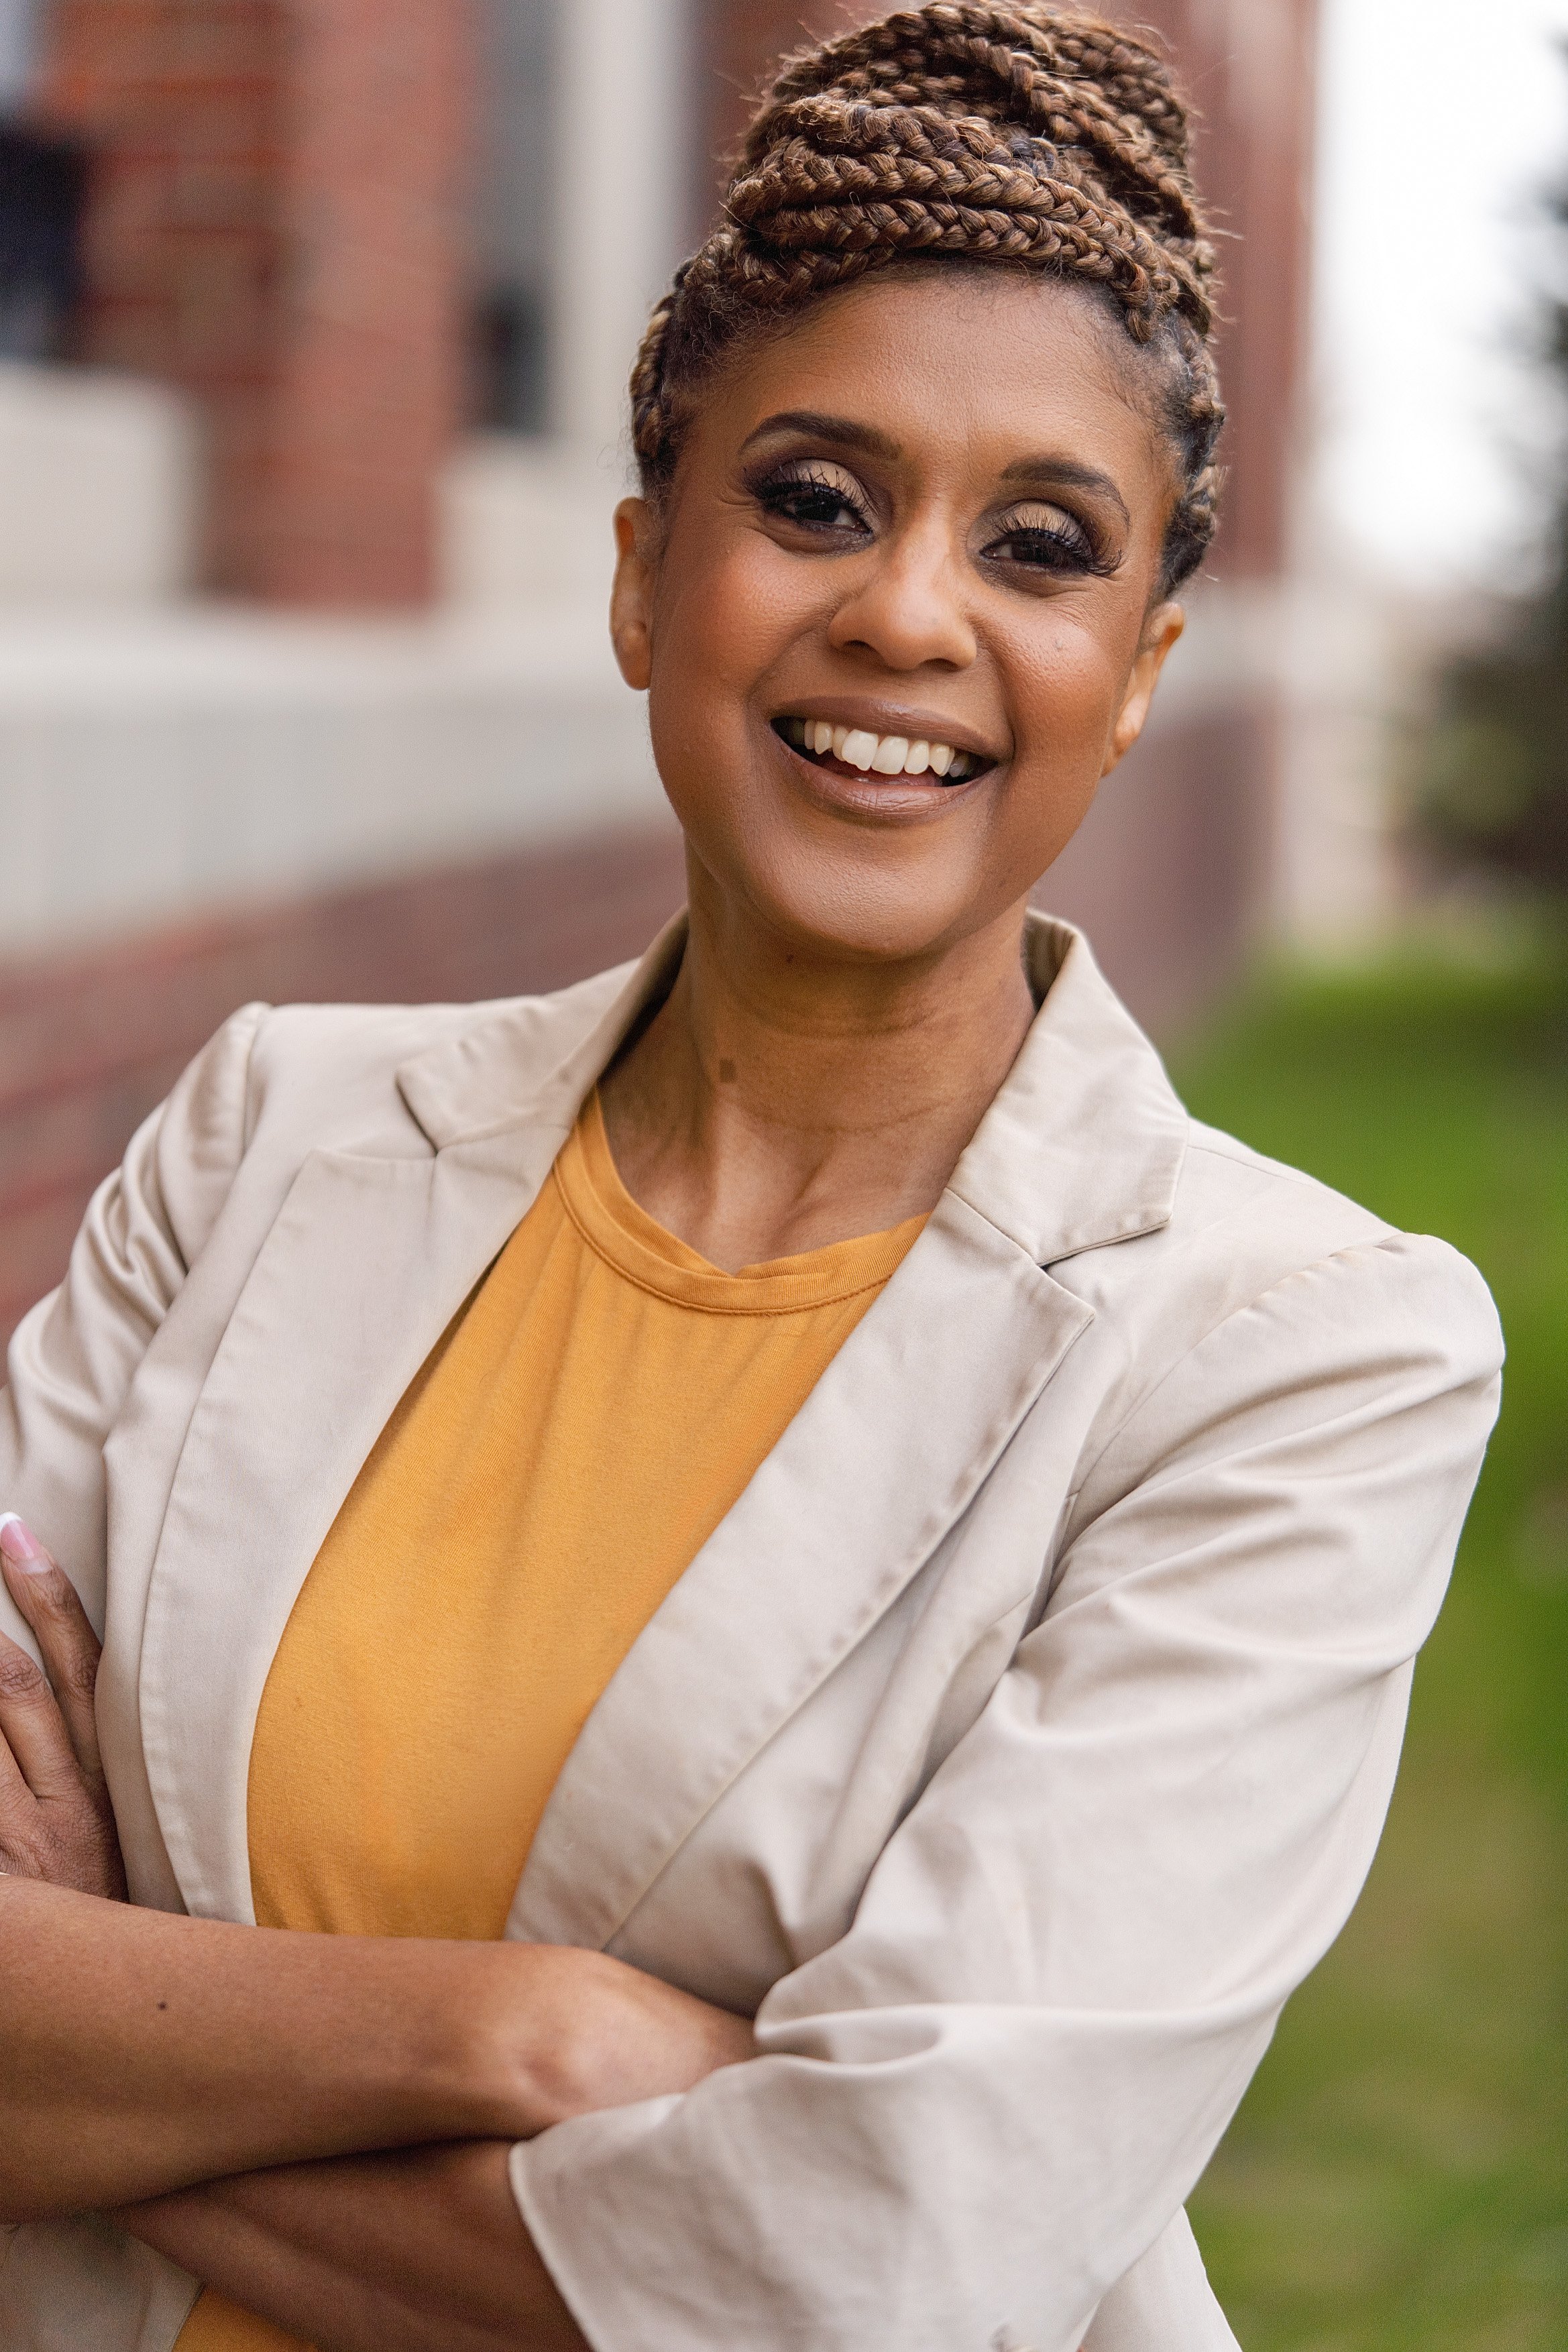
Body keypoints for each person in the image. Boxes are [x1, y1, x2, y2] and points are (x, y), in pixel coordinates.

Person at [0, 8, 1502, 2349]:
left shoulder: (1291, 1360)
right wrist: (521, 2035)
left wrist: (112, 2044)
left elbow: (867, 2266)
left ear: (1131, 673)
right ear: (639, 576)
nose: (908, 611)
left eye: (1039, 545)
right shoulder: (267, 1130)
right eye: (812, 496)